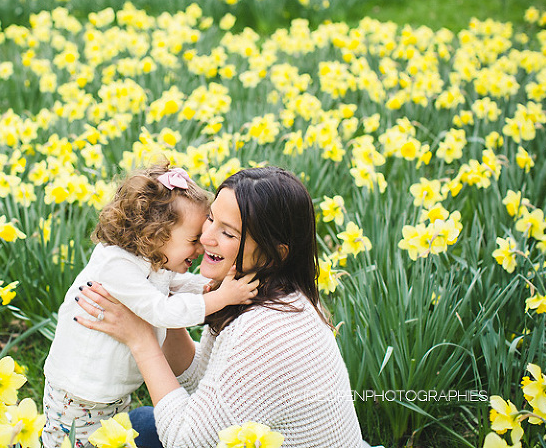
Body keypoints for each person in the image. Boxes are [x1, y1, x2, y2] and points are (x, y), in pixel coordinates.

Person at [74, 166, 370, 448]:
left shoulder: (264, 334)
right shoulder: (263, 292)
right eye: (211, 219)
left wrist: (141, 339)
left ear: (273, 254)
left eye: (228, 233)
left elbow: (185, 442)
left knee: (141, 428)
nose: (205, 237)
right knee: (140, 423)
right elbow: (205, 382)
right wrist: (159, 301)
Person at [42, 163, 259, 448]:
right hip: (80, 396)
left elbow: (171, 286)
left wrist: (209, 288)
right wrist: (220, 298)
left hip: (110, 394)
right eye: (194, 240)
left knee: (113, 442)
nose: (202, 247)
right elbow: (161, 310)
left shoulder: (150, 259)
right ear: (155, 236)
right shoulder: (117, 265)